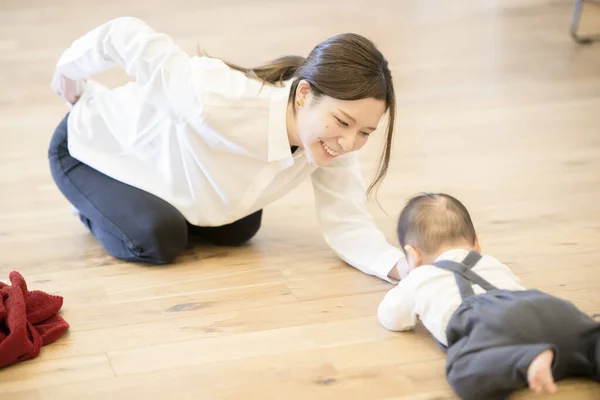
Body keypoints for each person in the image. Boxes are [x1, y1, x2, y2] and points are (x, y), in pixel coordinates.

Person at [48, 16, 409, 282]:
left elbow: (346, 220)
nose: (348, 143)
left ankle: (168, 210)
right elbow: (125, 35)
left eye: (365, 132)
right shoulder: (218, 96)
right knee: (160, 238)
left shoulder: (331, 143)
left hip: (178, 172)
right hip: (93, 149)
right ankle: (91, 207)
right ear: (303, 95)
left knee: (239, 228)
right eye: (343, 122)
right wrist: (69, 74)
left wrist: (403, 269)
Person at [377, 192, 600, 399]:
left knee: (461, 370)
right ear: (477, 243)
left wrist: (407, 279)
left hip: (489, 324)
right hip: (546, 305)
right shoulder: (492, 262)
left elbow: (391, 316)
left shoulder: (419, 277)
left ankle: (526, 359)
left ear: (413, 255)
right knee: (588, 341)